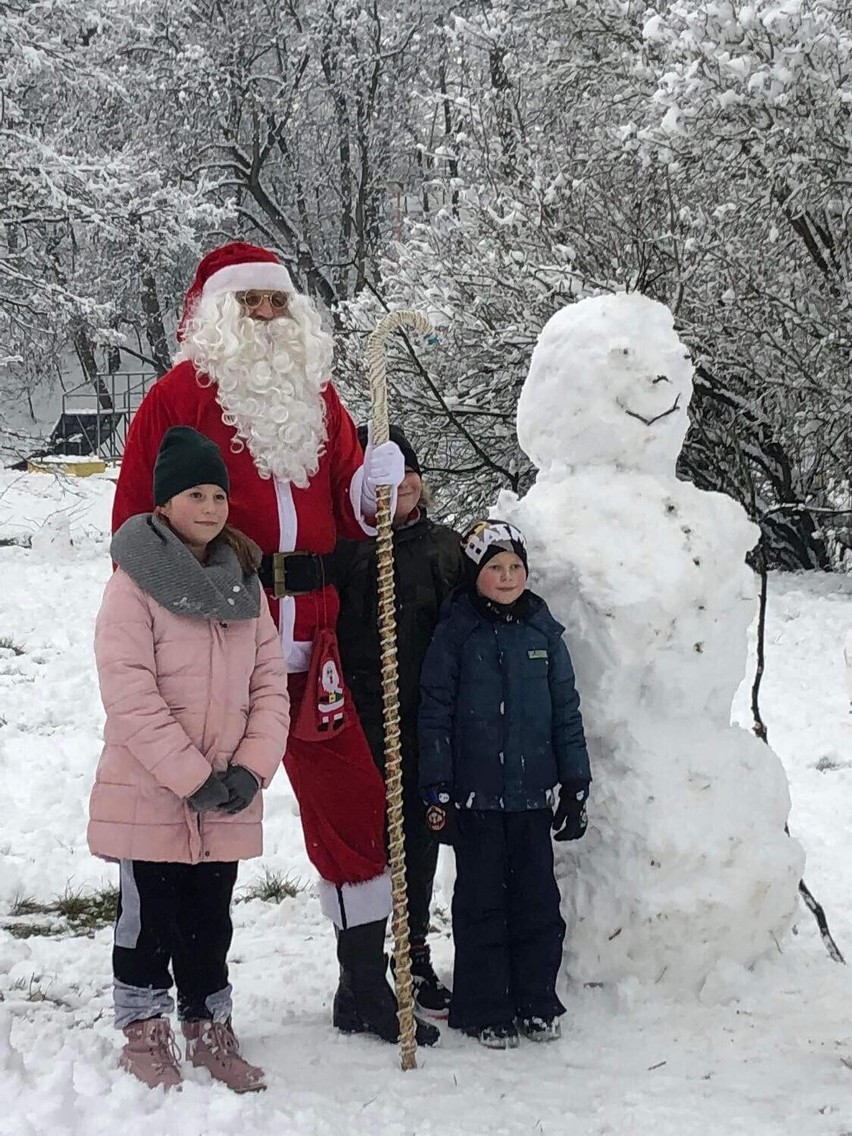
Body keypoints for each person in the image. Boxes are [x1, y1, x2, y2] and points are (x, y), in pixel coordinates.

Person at [112, 240, 438, 1047]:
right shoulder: (177, 397)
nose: (264, 319)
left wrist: (379, 489)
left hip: (317, 638)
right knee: (182, 820)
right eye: (249, 304)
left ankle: (364, 983)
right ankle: (167, 1000)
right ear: (215, 314)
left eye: (276, 304)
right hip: (218, 642)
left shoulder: (318, 398)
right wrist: (184, 608)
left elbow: (357, 512)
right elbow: (131, 526)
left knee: (358, 807)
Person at [89, 426, 290, 1091]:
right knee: (150, 919)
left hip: (228, 790)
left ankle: (208, 1028)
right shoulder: (133, 585)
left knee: (211, 920)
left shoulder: (245, 585)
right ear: (165, 501)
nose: (209, 508)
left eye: (217, 495)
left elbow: (269, 683)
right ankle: (144, 1032)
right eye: (194, 494)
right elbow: (131, 695)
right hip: (154, 790)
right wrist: (192, 778)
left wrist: (250, 771)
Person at [418, 520, 592, 1049]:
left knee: (539, 901)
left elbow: (566, 711)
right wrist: (437, 788)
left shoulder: (543, 631)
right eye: (495, 567)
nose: (507, 576)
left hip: (531, 794)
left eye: (515, 566)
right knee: (482, 903)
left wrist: (575, 783)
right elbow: (435, 714)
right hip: (475, 796)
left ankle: (537, 999)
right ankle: (485, 1005)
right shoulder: (456, 633)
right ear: (475, 573)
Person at [334, 426, 465, 1017]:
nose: (402, 485)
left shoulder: (443, 547)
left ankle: (411, 956)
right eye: (388, 476)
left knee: (419, 836)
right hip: (364, 716)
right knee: (366, 847)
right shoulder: (350, 550)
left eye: (409, 472)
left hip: (427, 718)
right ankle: (358, 971)